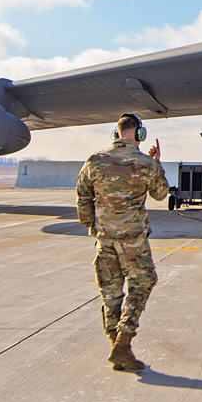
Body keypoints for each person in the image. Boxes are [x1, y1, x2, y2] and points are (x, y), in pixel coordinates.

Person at [76, 113, 169, 371]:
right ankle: (123, 341)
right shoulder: (146, 163)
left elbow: (83, 198)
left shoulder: (94, 161)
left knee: (111, 292)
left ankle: (117, 346)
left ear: (116, 133)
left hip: (104, 238)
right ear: (139, 134)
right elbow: (161, 194)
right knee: (143, 281)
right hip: (133, 240)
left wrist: (94, 226)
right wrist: (156, 163)